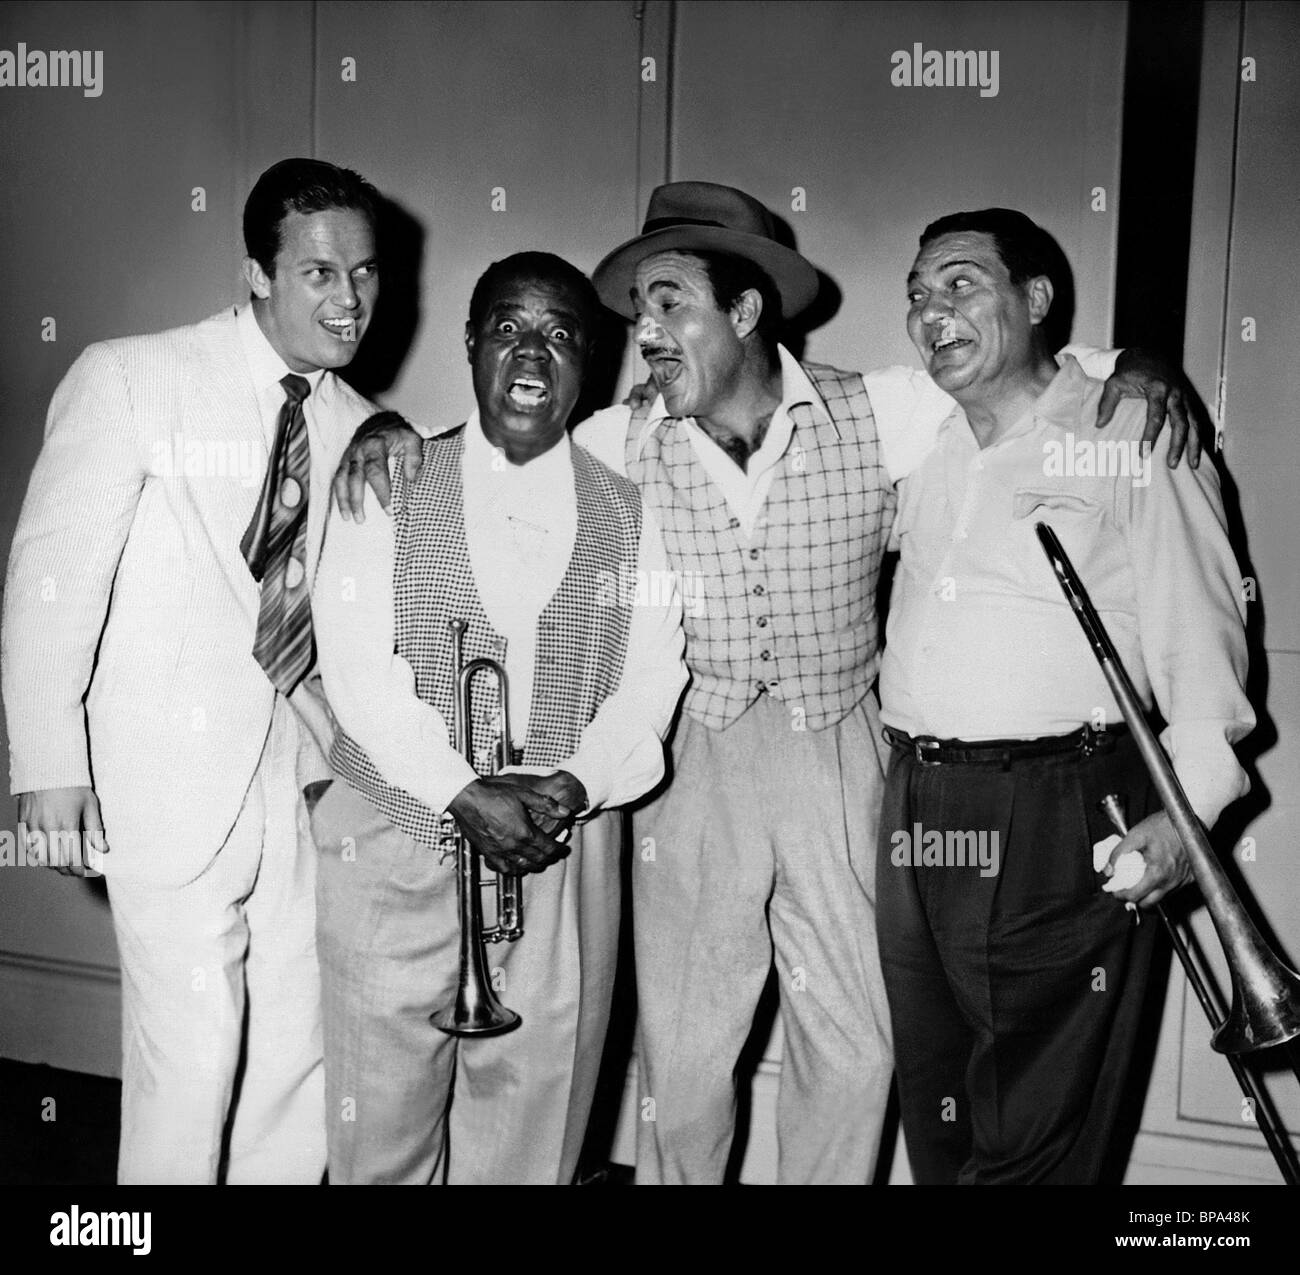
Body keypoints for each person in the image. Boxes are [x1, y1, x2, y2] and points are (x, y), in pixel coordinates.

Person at [336, 183, 1198, 1184]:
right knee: (689, 1062)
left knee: (857, 1047)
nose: (643, 332)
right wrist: (384, 431)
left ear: (744, 312)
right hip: (688, 758)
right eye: (639, 311)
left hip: (842, 749)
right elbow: (497, 447)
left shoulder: (879, 407)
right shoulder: (620, 438)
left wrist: (1131, 366)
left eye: (669, 304)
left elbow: (1020, 373)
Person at [2, 158, 391, 1183]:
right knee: (192, 1056)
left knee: (299, 1057)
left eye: (364, 272)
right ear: (258, 271)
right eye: (317, 273)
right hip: (162, 785)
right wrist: (48, 768)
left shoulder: (362, 430)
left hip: (303, 796)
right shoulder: (134, 377)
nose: (347, 299)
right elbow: (50, 580)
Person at [876, 207, 1254, 1184]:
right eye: (917, 294)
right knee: (942, 1101)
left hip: (1051, 807)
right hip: (916, 804)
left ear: (1035, 298)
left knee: (1036, 1130)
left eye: (959, 283)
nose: (929, 311)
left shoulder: (1126, 426)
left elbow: (1204, 646)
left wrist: (1191, 812)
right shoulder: (920, 434)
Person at [310, 251, 686, 1185]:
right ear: (471, 343)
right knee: (379, 1134)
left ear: (591, 363)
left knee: (535, 1127)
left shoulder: (637, 515)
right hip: (398, 842)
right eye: (510, 327)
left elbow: (651, 680)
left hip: (559, 853)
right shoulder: (387, 477)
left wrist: (575, 783)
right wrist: (458, 789)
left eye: (561, 334)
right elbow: (355, 668)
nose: (532, 352)